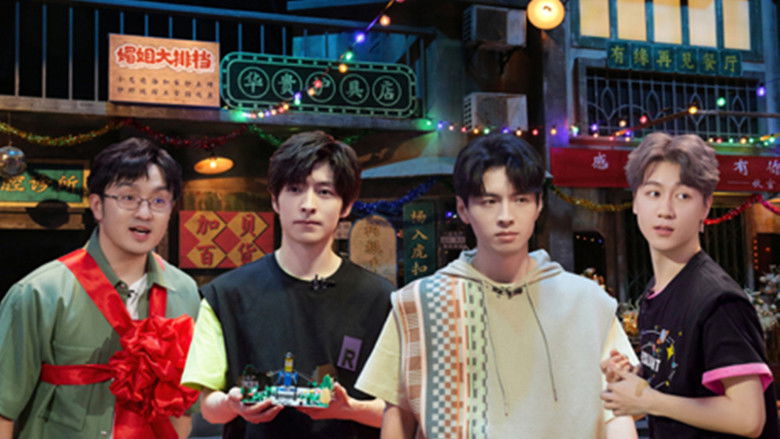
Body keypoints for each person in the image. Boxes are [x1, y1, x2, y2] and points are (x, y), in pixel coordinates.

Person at [356, 133, 639, 438]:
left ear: (538, 205)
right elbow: (399, 415)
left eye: (520, 200)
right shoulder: (419, 303)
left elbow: (617, 410)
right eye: (489, 202)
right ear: (463, 209)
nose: (506, 217)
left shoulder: (587, 302)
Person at [181, 131, 394, 438]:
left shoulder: (380, 299)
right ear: (275, 200)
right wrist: (233, 404)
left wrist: (349, 408)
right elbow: (209, 407)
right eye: (295, 189)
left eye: (324, 192)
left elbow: (402, 410)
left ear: (346, 205)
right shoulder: (226, 295)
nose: (308, 205)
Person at [0, 137, 201, 438]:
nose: (145, 213)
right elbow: (4, 409)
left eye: (159, 201)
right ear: (97, 206)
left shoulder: (184, 291)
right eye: (128, 197)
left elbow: (184, 405)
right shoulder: (40, 293)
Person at [600, 132, 778, 438]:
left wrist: (649, 399)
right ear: (636, 201)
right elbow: (680, 386)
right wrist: (635, 380)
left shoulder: (718, 302)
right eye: (653, 193)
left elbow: (748, 418)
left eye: (683, 196)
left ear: (705, 207)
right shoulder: (656, 292)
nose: (665, 210)